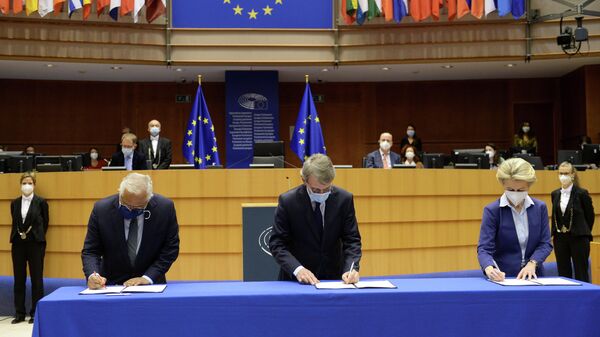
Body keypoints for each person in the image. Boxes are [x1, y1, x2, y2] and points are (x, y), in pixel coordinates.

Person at [269, 154, 362, 285]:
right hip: (296, 282)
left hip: (334, 279)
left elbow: (352, 240)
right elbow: (277, 244)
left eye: (327, 188)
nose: (321, 193)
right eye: (316, 190)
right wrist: (298, 269)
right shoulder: (288, 201)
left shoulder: (344, 199)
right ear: (303, 180)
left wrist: (351, 269)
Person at [81, 173, 180, 289]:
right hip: (110, 285)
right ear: (120, 194)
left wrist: (147, 278)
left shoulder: (164, 209)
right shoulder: (102, 210)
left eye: (138, 207)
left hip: (150, 285)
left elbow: (170, 249)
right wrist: (94, 275)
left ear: (148, 199)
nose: (130, 210)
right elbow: (91, 251)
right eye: (126, 205)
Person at [477, 158, 553, 281]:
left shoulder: (540, 208)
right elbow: (484, 249)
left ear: (529, 185)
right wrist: (489, 268)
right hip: (503, 278)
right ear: (503, 184)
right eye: (510, 190)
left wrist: (532, 263)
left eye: (521, 190)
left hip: (534, 276)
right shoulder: (492, 211)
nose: (515, 193)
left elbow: (545, 244)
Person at [10, 172, 49, 324]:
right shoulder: (14, 202)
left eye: (30, 183)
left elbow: (45, 222)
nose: (27, 185)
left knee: (36, 279)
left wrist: (35, 235)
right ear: (20, 184)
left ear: (34, 185)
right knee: (19, 278)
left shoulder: (41, 202)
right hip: (18, 243)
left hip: (36, 244)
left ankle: (35, 312)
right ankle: (19, 313)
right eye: (24, 183)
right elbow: (15, 220)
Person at [551, 162, 595, 282]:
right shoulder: (555, 194)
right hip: (560, 237)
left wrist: (583, 230)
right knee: (563, 272)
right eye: (561, 173)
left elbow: (589, 216)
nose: (563, 176)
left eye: (566, 173)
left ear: (572, 174)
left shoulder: (582, 193)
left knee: (581, 271)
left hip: (579, 237)